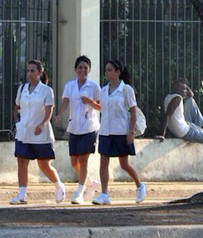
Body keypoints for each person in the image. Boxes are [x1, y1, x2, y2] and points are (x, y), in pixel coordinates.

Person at [9, 59, 65, 205]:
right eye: (28, 70)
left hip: (40, 133)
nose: (29, 73)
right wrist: (17, 122)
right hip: (24, 132)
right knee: (21, 161)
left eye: (33, 71)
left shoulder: (47, 90)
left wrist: (42, 124)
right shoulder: (22, 89)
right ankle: (22, 195)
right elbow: (16, 106)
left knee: (43, 165)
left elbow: (49, 109)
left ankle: (59, 186)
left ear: (40, 72)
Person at [93, 59, 146, 205]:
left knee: (124, 164)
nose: (107, 72)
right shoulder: (103, 90)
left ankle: (140, 186)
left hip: (121, 131)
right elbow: (103, 109)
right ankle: (104, 194)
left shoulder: (126, 89)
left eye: (110, 69)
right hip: (105, 131)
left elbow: (133, 111)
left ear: (118, 72)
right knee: (103, 161)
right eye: (106, 70)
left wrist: (131, 132)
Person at [57, 55, 102, 204]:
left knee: (83, 161)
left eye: (85, 68)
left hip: (89, 127)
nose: (83, 70)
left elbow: (101, 107)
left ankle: (79, 192)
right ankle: (91, 183)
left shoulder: (94, 87)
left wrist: (90, 101)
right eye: (80, 67)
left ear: (89, 70)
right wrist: (59, 115)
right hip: (74, 127)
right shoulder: (70, 85)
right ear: (75, 69)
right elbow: (65, 102)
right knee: (73, 162)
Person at [156, 78, 203, 180]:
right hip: (186, 132)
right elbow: (167, 115)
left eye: (186, 89)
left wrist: (184, 85)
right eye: (184, 89)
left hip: (187, 125)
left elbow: (190, 95)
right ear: (177, 88)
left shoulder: (169, 97)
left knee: (190, 101)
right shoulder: (177, 99)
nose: (186, 91)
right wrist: (161, 133)